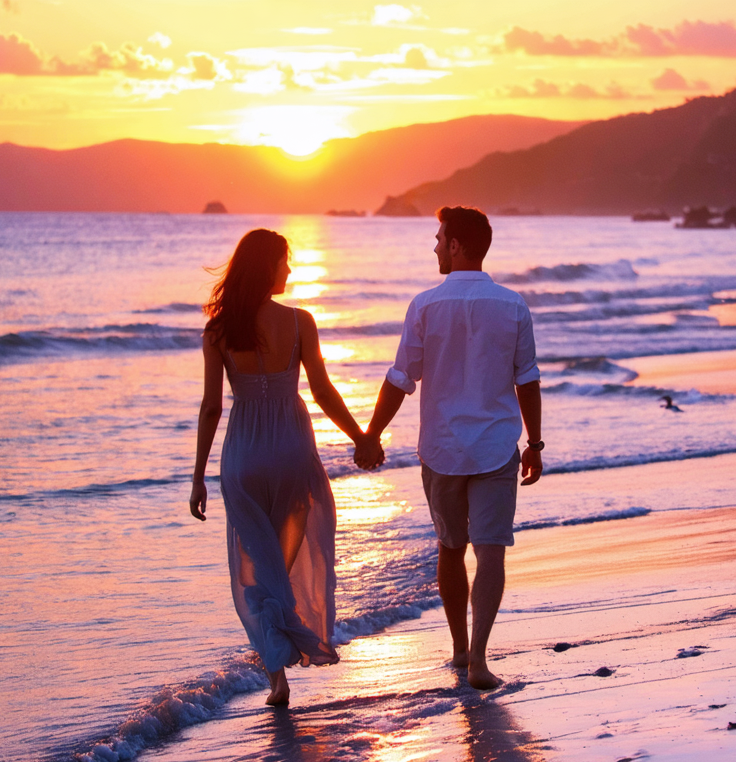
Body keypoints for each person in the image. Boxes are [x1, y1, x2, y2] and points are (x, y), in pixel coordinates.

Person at [355, 206, 543, 690]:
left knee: (450, 547)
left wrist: (372, 434)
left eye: (440, 238)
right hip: (497, 446)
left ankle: (460, 647)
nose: (435, 246)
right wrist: (535, 443)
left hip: (441, 448)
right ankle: (479, 657)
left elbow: (401, 379)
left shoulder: (425, 306)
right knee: (491, 552)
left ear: (457, 244)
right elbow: (528, 381)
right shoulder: (513, 305)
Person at [189, 228, 372, 707]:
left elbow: (211, 408)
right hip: (290, 449)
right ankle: (290, 642)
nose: (289, 271)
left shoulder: (218, 329)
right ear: (266, 266)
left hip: (244, 455)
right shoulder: (299, 322)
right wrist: (360, 437)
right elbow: (324, 391)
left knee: (257, 566)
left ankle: (277, 680)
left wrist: (197, 477)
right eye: (284, 262)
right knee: (280, 565)